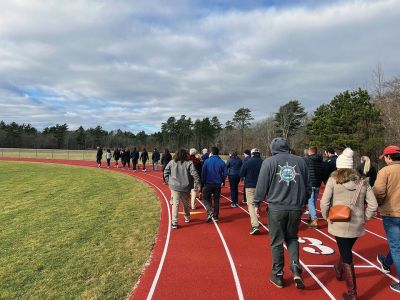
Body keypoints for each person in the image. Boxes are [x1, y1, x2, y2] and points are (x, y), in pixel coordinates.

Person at [320, 147, 378, 300]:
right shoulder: (363, 182)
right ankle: (338, 269)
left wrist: (326, 216)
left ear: (339, 166)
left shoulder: (333, 180)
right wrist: (364, 218)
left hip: (338, 222)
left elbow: (324, 202)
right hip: (356, 224)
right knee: (346, 249)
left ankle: (352, 294)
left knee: (347, 256)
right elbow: (373, 205)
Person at [253, 137, 310, 289]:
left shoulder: (269, 162)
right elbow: (308, 185)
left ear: (273, 149)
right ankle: (295, 266)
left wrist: (256, 203)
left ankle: (278, 274)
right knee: (292, 238)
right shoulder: (301, 161)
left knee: (277, 241)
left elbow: (261, 185)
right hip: (296, 207)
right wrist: (305, 202)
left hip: (277, 208)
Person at [373, 145, 400, 294]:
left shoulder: (385, 171)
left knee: (396, 247)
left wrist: (378, 204)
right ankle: (386, 262)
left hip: (392, 214)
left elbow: (378, 193)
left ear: (389, 157)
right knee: (397, 245)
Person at [164, 149, 201, 229]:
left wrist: (168, 181)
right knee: (186, 204)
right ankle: (187, 217)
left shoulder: (172, 162)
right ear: (186, 155)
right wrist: (198, 183)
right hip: (185, 187)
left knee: (175, 204)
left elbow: (166, 171)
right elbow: (194, 173)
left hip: (174, 186)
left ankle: (174, 222)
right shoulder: (189, 163)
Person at [239, 148, 263, 234]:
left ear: (252, 154)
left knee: (251, 205)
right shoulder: (263, 162)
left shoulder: (247, 162)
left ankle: (255, 225)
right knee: (258, 203)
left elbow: (241, 173)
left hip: (250, 186)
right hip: (261, 187)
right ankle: (257, 219)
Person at [201, 146, 227, 222]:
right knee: (216, 200)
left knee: (206, 198)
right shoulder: (221, 162)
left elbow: (203, 173)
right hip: (217, 184)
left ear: (211, 153)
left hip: (208, 183)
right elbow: (225, 173)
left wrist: (203, 182)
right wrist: (222, 180)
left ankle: (209, 212)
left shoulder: (207, 161)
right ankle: (215, 216)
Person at [304, 146, 324, 229]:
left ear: (310, 152)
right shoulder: (321, 160)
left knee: (310, 201)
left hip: (310, 182)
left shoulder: (307, 160)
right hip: (318, 182)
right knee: (314, 201)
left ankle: (314, 219)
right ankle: (311, 215)